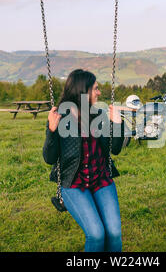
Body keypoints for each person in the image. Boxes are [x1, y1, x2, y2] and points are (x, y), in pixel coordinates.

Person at [43, 69, 125, 252]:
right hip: (73, 183)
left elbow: (115, 149)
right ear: (83, 91)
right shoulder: (60, 117)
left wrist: (118, 124)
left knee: (114, 233)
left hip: (101, 180)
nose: (99, 93)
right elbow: (49, 158)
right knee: (96, 234)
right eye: (95, 89)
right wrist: (51, 130)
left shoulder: (99, 116)